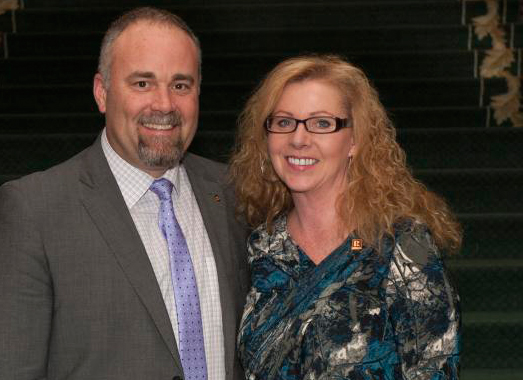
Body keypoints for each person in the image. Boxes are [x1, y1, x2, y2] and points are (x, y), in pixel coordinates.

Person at [0, 7, 248, 380]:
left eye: (180, 85)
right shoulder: (35, 209)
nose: (164, 104)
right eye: (142, 84)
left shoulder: (233, 194)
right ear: (102, 93)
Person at [230, 54, 461, 379]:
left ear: (354, 140)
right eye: (283, 122)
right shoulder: (261, 246)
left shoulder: (401, 244)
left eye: (322, 123)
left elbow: (436, 367)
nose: (298, 139)